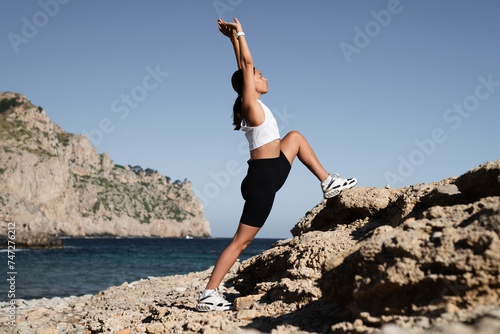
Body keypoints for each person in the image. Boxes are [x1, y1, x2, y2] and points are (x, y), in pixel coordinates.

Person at [195, 18, 357, 312]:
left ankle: (328, 182)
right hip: (262, 180)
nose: (264, 77)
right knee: (241, 242)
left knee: (294, 137)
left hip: (271, 170)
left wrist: (231, 39)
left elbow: (243, 65)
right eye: (259, 75)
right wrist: (240, 33)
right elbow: (246, 64)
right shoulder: (251, 106)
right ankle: (209, 293)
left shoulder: (255, 105)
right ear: (249, 84)